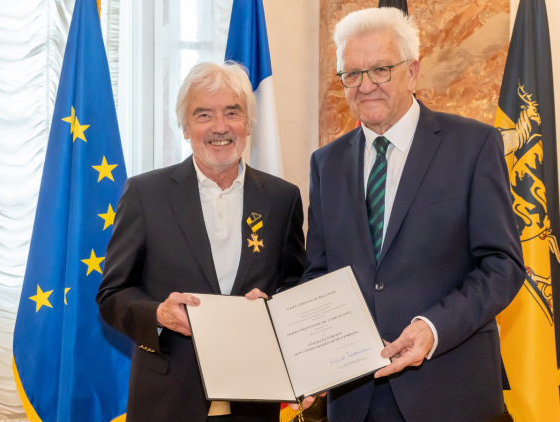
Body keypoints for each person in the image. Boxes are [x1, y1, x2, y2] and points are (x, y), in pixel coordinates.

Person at [298, 7, 525, 422]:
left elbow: (503, 266)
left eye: (381, 69)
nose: (365, 86)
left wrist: (432, 329)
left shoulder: (473, 146)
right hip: (355, 401)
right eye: (351, 74)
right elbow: (319, 276)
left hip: (451, 392)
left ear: (412, 72)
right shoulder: (325, 164)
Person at [96, 61, 305, 422]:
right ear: (185, 127)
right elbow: (112, 293)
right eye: (204, 114)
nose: (220, 127)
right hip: (166, 401)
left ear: (248, 123)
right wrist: (158, 314)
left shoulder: (282, 198)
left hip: (254, 402)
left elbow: (296, 284)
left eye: (232, 112)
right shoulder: (146, 194)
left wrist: (273, 308)